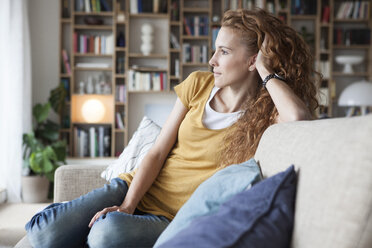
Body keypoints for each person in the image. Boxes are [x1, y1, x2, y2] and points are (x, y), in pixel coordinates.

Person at [25, 8, 319, 248]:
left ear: (253, 60)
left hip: (174, 219)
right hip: (133, 188)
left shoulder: (265, 114)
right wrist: (128, 205)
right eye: (214, 50)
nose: (212, 60)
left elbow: (298, 117)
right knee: (42, 234)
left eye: (224, 52)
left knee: (106, 234)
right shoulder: (198, 85)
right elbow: (157, 151)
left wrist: (267, 70)